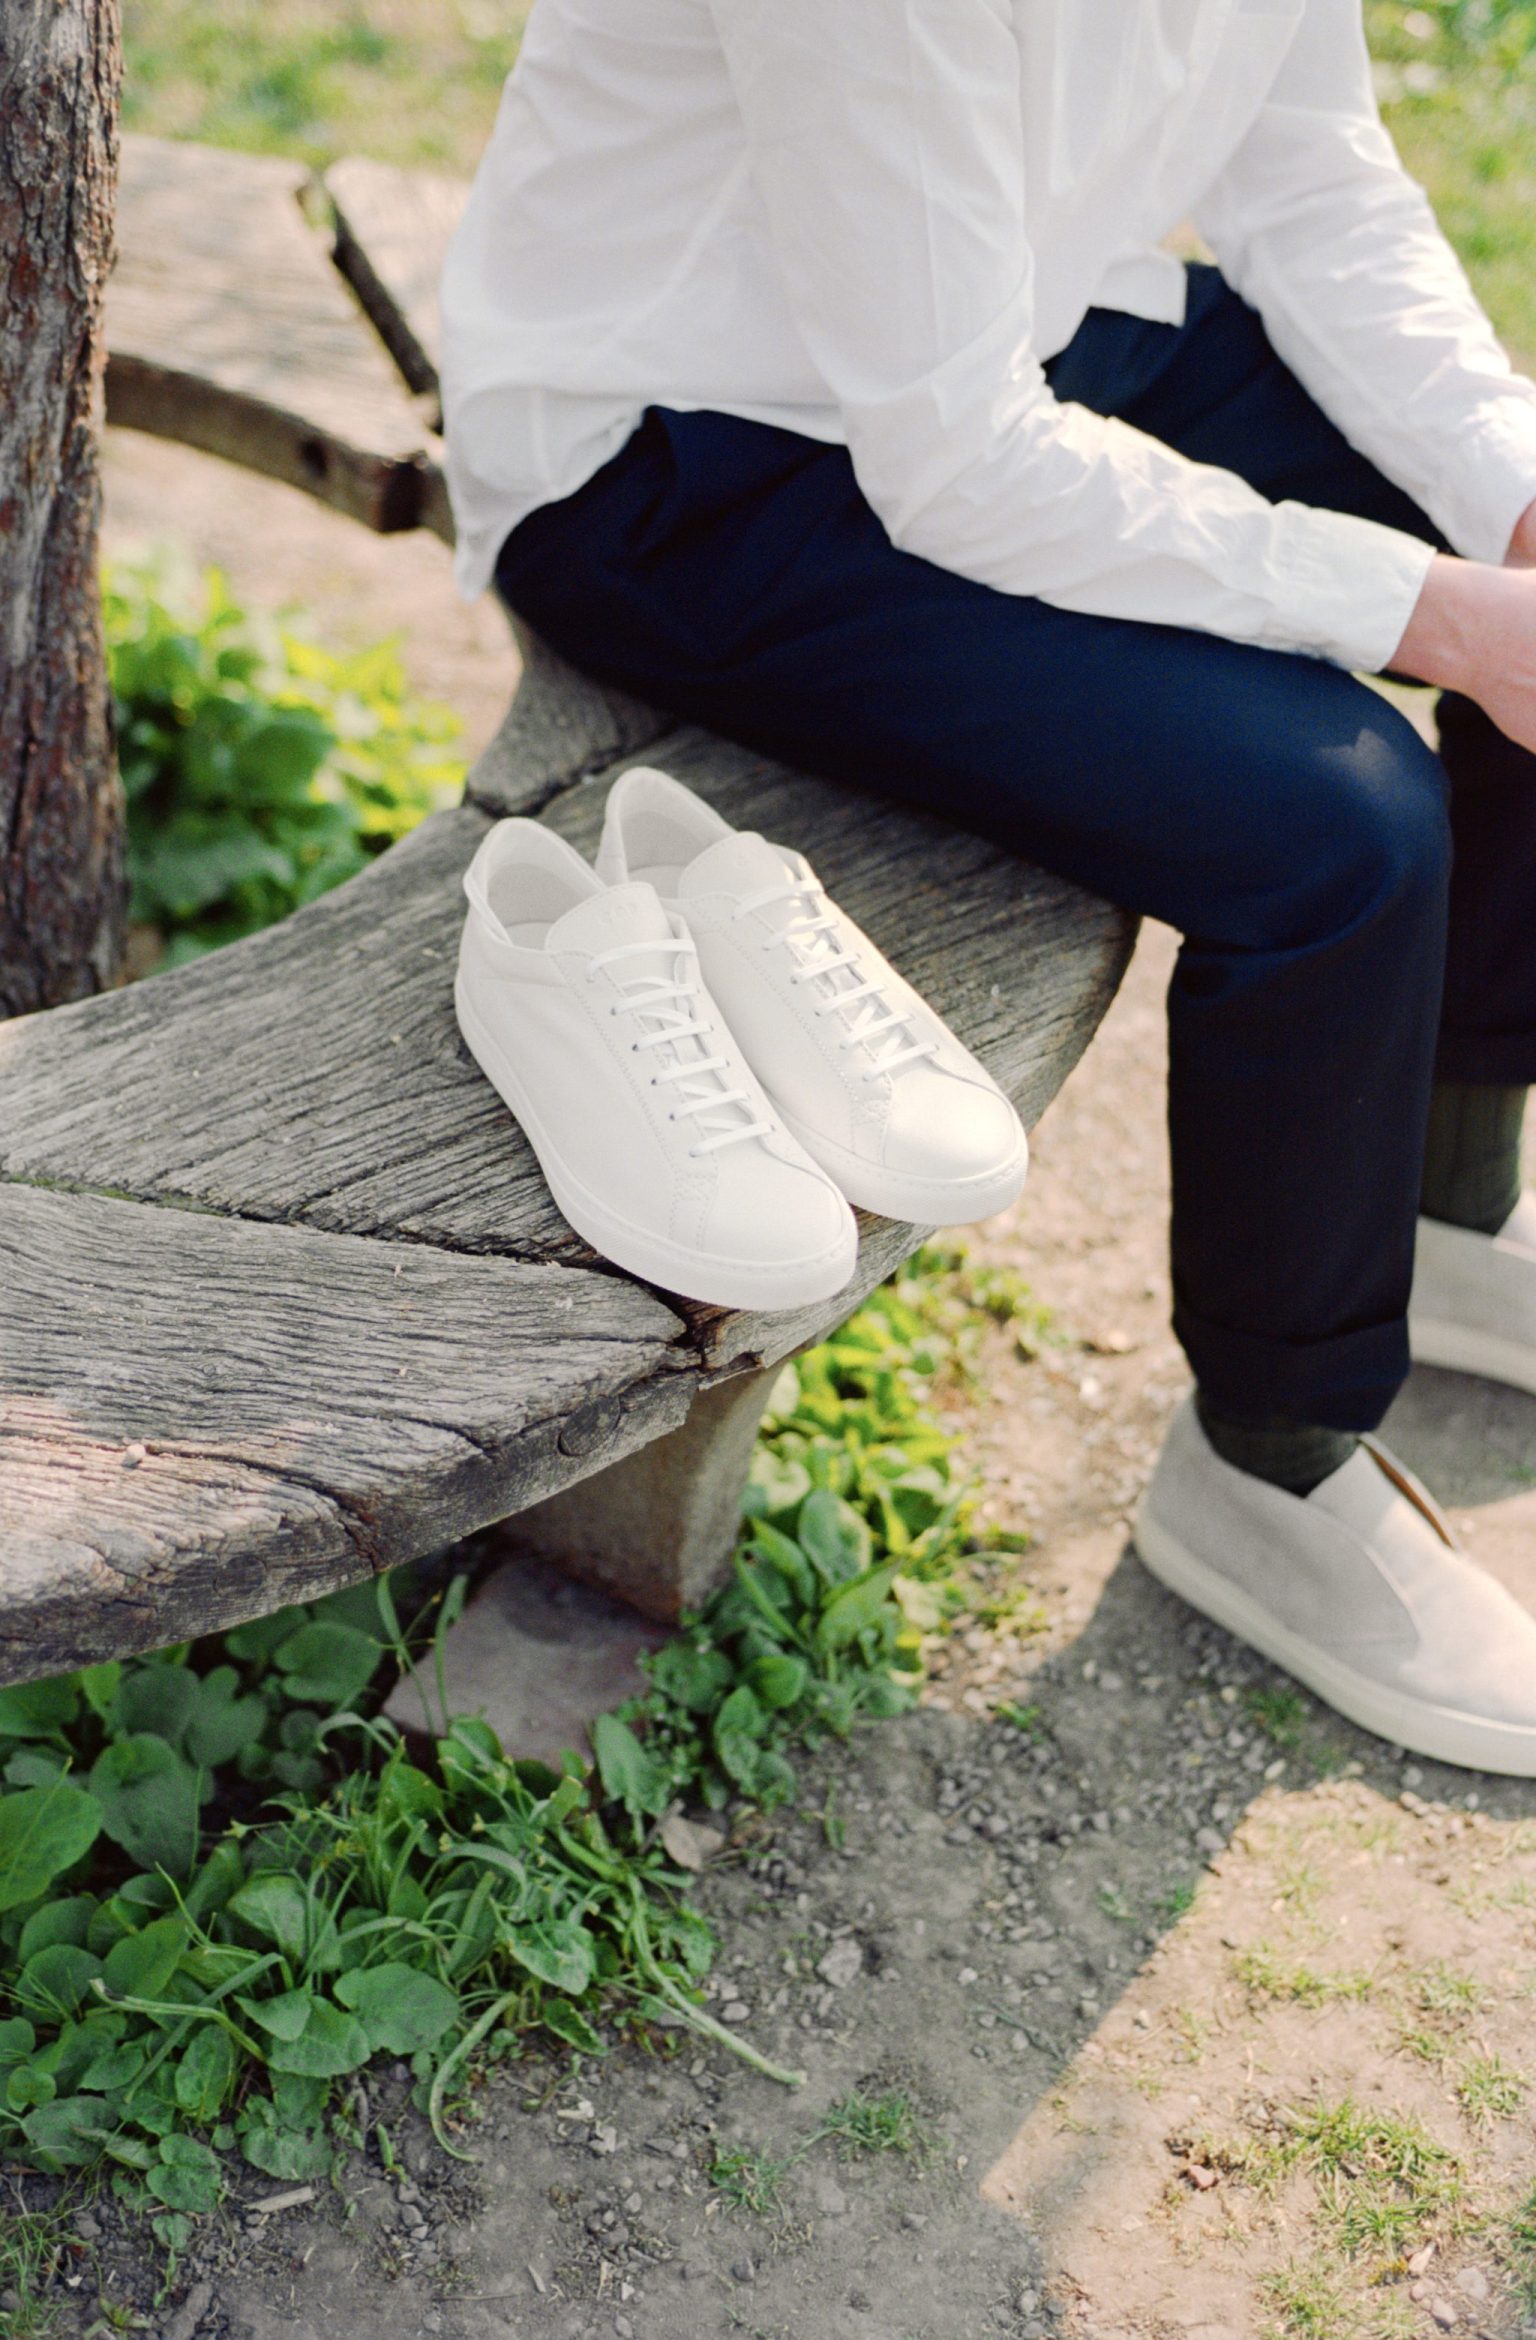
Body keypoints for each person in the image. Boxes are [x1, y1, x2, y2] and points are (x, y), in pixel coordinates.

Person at [439, 0, 1536, 1773]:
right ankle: (1276, 1463)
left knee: (1518, 523)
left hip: (997, 327)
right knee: (1346, 828)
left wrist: (1502, 508)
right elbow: (957, 464)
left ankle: (1445, 1197)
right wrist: (1429, 611)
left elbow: (1307, 162)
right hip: (679, 460)